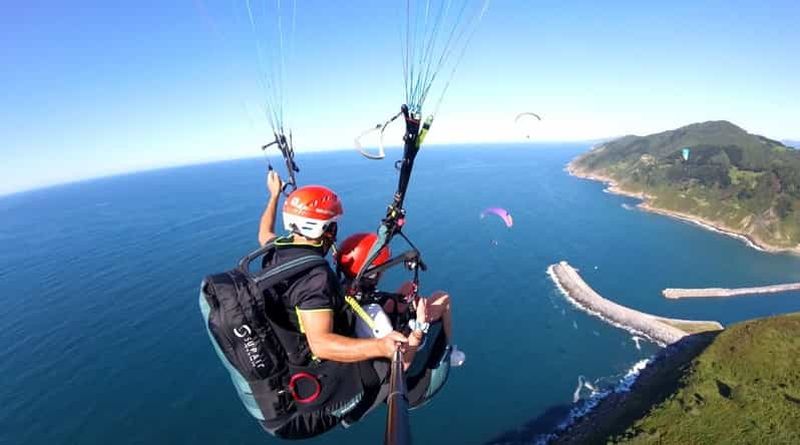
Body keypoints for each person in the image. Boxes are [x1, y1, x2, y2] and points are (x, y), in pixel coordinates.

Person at [250, 171, 411, 437]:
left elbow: (263, 232)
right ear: (323, 229)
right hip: (302, 413)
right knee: (397, 362)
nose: (335, 235)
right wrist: (381, 346)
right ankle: (360, 403)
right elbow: (321, 343)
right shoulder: (316, 278)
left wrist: (274, 195)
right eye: (333, 226)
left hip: (276, 391)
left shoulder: (277, 250)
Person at [336, 232, 466, 369]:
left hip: (367, 332)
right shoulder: (375, 317)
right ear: (372, 273)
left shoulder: (346, 289)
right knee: (443, 297)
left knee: (407, 287)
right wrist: (420, 324)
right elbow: (402, 365)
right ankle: (443, 354)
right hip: (402, 358)